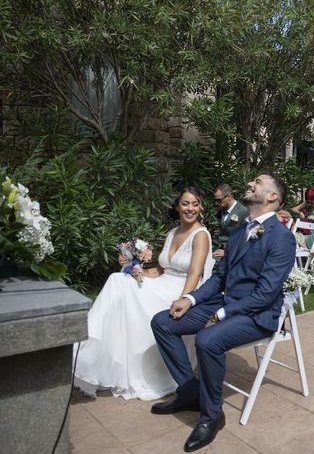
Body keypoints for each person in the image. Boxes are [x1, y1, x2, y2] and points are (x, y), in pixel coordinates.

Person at [150, 173, 295, 453]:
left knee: (207, 340)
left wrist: (223, 313)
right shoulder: (240, 230)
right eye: (251, 180)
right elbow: (218, 277)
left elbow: (265, 294)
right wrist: (190, 299)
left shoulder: (282, 237)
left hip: (257, 315)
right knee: (163, 322)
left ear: (272, 197)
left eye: (258, 182)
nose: (250, 183)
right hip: (225, 304)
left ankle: (211, 416)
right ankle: (191, 392)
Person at [74, 188, 215, 400]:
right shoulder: (172, 233)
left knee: (123, 289)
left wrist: (183, 300)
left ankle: (93, 347)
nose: (190, 208)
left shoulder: (201, 235)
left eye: (195, 204)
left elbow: (195, 274)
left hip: (182, 290)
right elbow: (159, 270)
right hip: (164, 281)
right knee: (118, 279)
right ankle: (94, 348)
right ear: (177, 207)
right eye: (185, 204)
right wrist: (136, 270)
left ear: (201, 207)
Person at [212, 184, 248, 259]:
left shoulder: (243, 212)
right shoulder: (220, 211)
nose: (216, 203)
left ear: (229, 196)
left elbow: (246, 239)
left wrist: (227, 252)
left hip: (231, 256)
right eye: (215, 200)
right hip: (216, 251)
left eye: (219, 200)